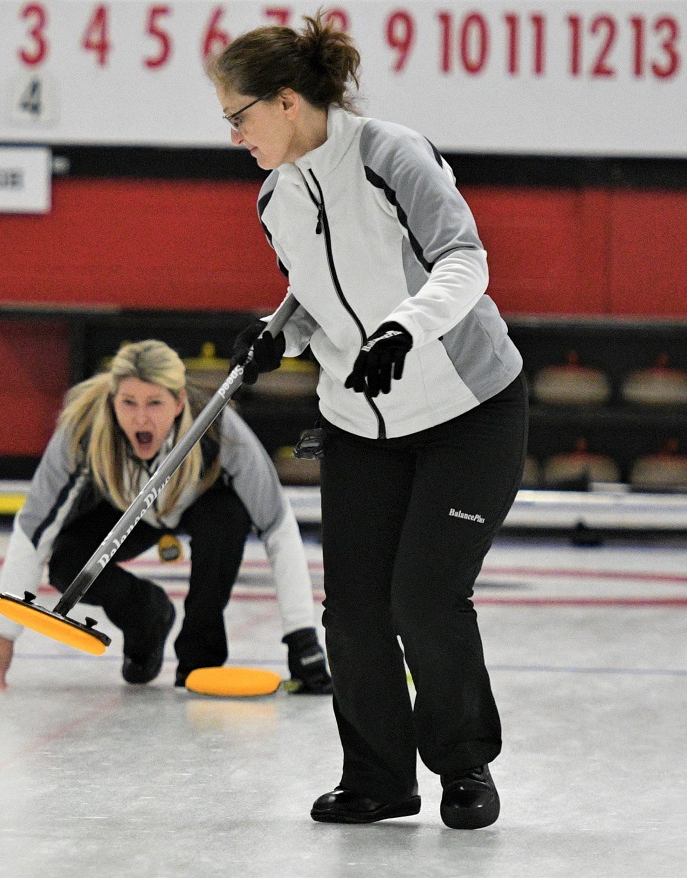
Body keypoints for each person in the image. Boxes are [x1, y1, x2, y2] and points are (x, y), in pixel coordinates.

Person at [210, 16, 528, 830]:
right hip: (357, 422)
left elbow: (464, 258)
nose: (234, 133)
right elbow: (317, 302)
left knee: (424, 599)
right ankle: (379, 778)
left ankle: (464, 768)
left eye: (238, 115)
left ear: (287, 101)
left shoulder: (391, 154)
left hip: (469, 409)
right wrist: (276, 335)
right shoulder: (275, 196)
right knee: (352, 613)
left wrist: (406, 328)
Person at [0, 339, 330, 694]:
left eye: (155, 402)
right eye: (128, 403)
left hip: (202, 506)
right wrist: (2, 638)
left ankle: (199, 658)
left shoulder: (220, 430)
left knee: (227, 520)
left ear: (179, 401)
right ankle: (146, 617)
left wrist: (302, 640)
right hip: (124, 508)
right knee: (67, 562)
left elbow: (278, 528)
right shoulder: (82, 431)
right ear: (112, 400)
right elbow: (33, 531)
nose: (141, 417)